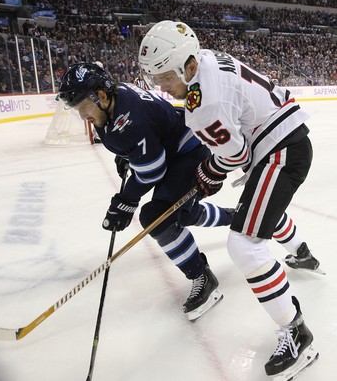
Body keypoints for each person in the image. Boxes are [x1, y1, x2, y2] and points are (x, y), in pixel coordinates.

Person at [138, 20, 319, 379]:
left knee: (244, 245)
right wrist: (215, 164)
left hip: (280, 151)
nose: (162, 86)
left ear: (187, 65)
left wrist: (210, 169)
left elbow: (235, 157)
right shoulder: (205, 60)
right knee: (256, 215)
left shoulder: (203, 103)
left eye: (165, 78)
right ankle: (302, 251)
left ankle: (297, 334)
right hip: (278, 139)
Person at [58, 62, 233, 321]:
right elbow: (146, 140)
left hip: (189, 153)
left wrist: (126, 200)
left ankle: (202, 276)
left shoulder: (130, 118)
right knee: (181, 215)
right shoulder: (113, 102)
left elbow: (152, 171)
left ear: (101, 96)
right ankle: (234, 216)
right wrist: (131, 155)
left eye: (83, 107)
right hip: (175, 151)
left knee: (157, 218)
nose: (83, 116)